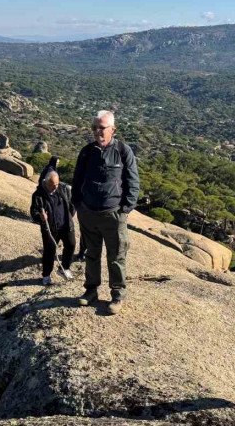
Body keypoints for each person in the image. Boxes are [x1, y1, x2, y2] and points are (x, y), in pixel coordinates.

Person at [71, 110, 139, 315]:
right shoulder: (87, 151)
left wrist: (125, 209)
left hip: (113, 213)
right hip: (89, 212)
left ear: (113, 129)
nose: (97, 131)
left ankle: (117, 295)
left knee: (116, 256)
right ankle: (91, 291)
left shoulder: (122, 151)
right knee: (91, 254)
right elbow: (77, 179)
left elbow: (133, 181)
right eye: (94, 128)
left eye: (102, 128)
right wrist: (78, 204)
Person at [30, 170, 76, 286]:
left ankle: (64, 268)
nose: (55, 187)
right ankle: (46, 275)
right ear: (46, 183)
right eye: (52, 185)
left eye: (57, 184)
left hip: (66, 225)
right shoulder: (38, 195)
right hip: (50, 229)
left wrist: (70, 216)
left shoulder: (63, 189)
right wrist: (40, 217)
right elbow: (33, 212)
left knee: (71, 244)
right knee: (49, 252)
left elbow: (72, 203)